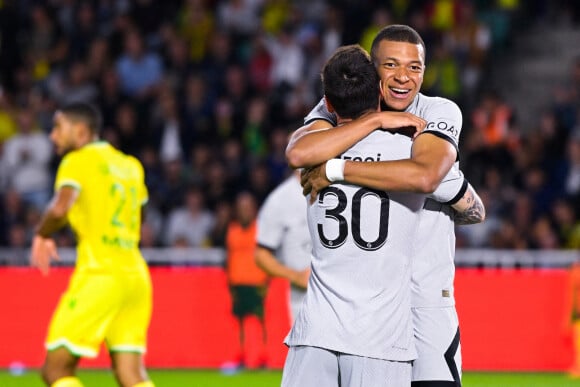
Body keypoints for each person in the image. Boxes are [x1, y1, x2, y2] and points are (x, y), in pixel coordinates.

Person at [286, 25, 485, 386]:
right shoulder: (342, 112)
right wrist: (376, 122)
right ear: (371, 72)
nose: (403, 78)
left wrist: (336, 169)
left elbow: (428, 178)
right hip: (365, 314)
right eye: (390, 66)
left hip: (424, 301)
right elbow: (298, 151)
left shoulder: (438, 112)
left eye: (414, 68)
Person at [29, 102, 154, 387]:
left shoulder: (77, 160)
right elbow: (141, 214)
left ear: (81, 132)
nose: (53, 136)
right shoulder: (130, 165)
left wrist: (42, 234)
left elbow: (60, 208)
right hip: (135, 276)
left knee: (55, 370)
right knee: (131, 375)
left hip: (101, 273)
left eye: (58, 128)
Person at [255, 170, 311, 323]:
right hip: (301, 304)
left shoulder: (341, 189)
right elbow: (261, 255)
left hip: (342, 298)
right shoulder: (279, 200)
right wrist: (295, 276)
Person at [225, 191, 268, 368]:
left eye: (247, 207)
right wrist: (230, 282)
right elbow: (230, 257)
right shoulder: (232, 230)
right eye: (241, 208)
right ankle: (242, 357)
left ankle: (263, 358)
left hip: (256, 283)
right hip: (238, 283)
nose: (245, 211)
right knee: (240, 323)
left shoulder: (260, 229)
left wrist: (266, 281)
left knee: (260, 323)